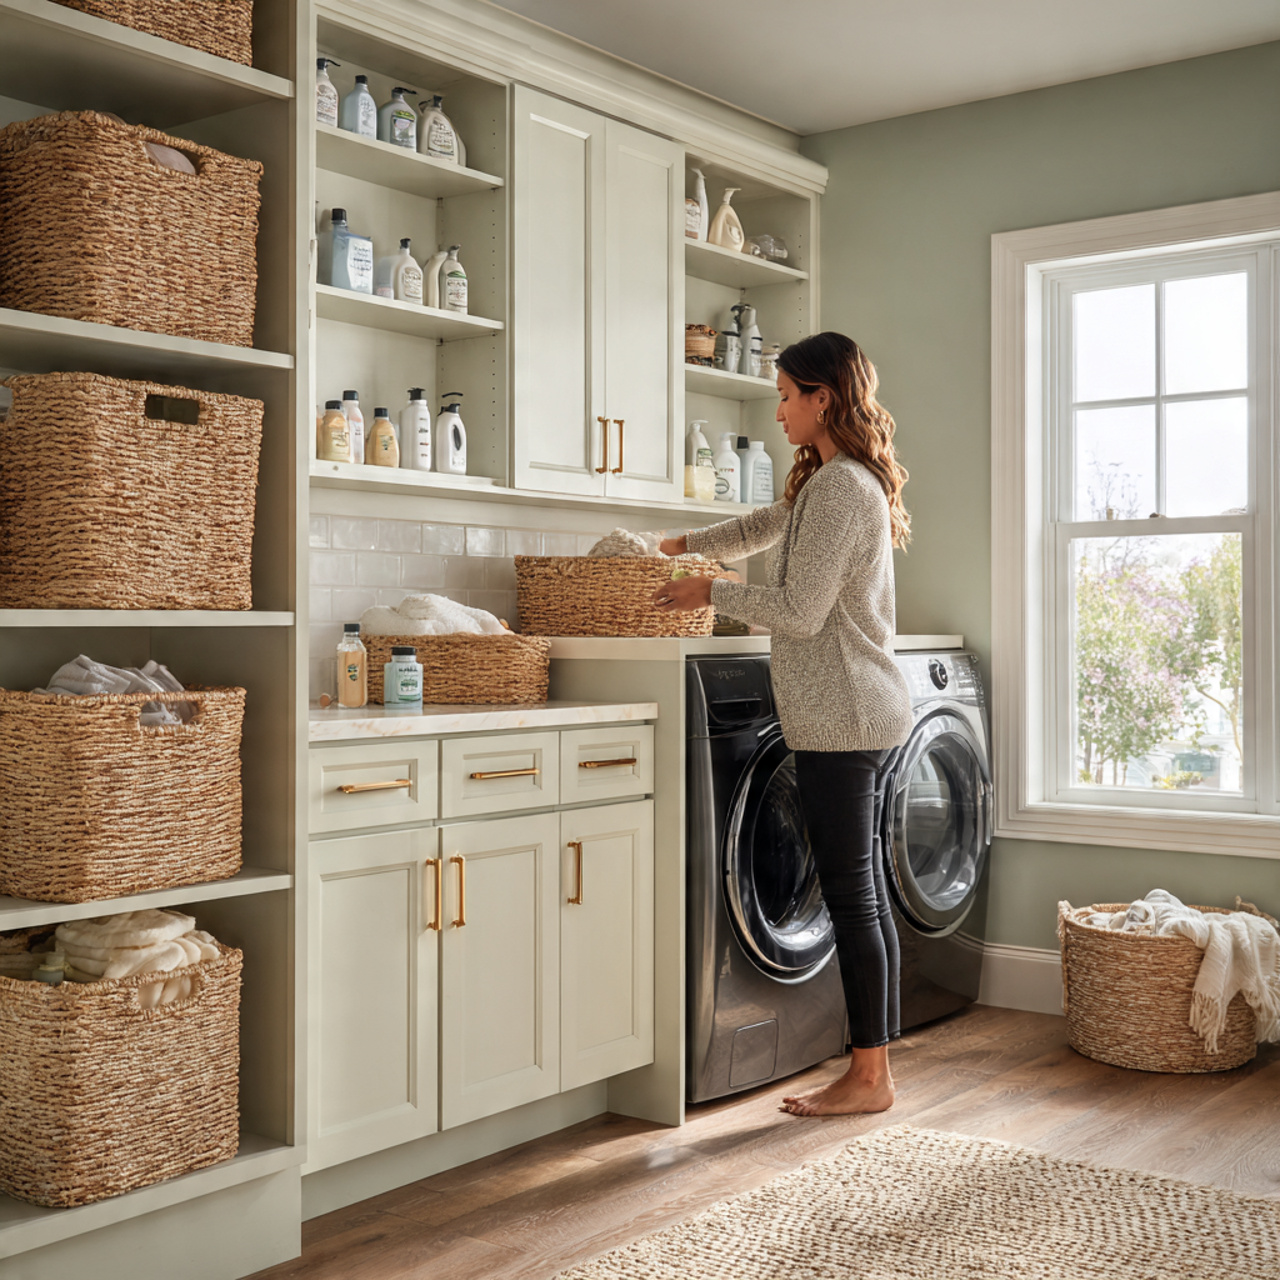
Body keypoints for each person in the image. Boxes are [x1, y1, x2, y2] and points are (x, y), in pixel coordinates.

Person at [653, 331, 913, 1117]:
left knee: (851, 897)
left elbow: (799, 614)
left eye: (786, 395)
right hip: (850, 710)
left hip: (845, 714)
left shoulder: (841, 489)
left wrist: (708, 594)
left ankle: (870, 1077)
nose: (778, 411)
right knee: (860, 893)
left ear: (822, 397)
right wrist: (675, 548)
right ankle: (875, 1071)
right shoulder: (832, 484)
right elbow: (762, 527)